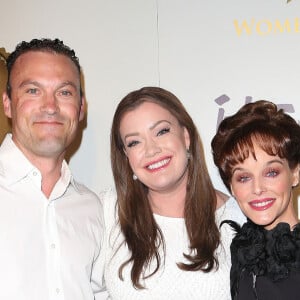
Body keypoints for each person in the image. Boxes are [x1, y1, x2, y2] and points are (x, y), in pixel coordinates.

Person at [99, 86, 245, 299]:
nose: (151, 150)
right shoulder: (108, 210)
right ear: (125, 155)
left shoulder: (238, 219)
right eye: (134, 142)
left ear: (186, 136)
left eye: (162, 131)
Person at [0, 38, 104, 300]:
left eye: (64, 92)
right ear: (7, 104)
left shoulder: (93, 208)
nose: (50, 106)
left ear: (81, 109)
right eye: (33, 91)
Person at [211, 100, 300, 300]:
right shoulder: (241, 253)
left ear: (295, 173)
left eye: (271, 172)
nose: (257, 188)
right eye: (244, 177)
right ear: (232, 187)